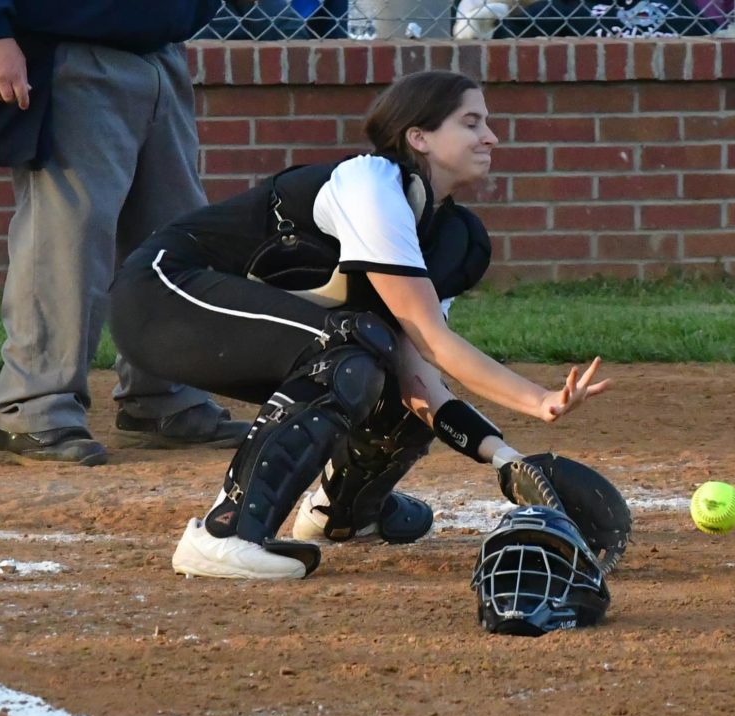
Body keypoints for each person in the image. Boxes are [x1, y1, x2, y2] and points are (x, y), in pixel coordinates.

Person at [109, 70, 613, 580]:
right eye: (471, 122)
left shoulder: (449, 236)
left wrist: (503, 457)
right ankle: (224, 534)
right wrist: (536, 399)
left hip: (232, 320)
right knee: (346, 352)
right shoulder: (371, 183)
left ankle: (342, 514)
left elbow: (418, 380)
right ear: (419, 137)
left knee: (378, 364)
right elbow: (433, 339)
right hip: (162, 297)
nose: (490, 137)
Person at [0, 0, 250, 466]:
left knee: (173, 236)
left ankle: (164, 398)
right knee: (67, 240)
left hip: (161, 53)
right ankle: (35, 407)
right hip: (69, 51)